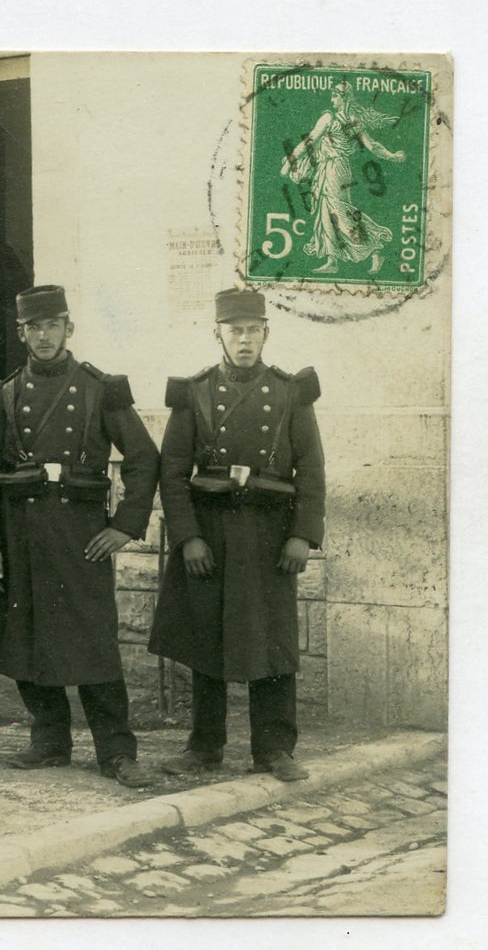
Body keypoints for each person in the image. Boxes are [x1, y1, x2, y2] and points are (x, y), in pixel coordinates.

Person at [0, 284, 160, 788]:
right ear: (21, 333)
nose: (44, 335)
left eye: (53, 324)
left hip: (81, 534)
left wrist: (123, 525)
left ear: (69, 328)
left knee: (94, 642)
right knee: (26, 638)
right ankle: (49, 741)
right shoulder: (5, 393)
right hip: (22, 534)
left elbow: (143, 457)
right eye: (34, 326)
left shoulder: (100, 388)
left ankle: (117, 752)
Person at [149, 287, 326, 782]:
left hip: (270, 537)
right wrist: (188, 538)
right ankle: (204, 748)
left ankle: (274, 749)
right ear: (218, 334)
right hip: (211, 534)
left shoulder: (291, 392)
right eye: (234, 331)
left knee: (273, 643)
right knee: (207, 639)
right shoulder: (194, 392)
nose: (244, 340)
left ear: (265, 332)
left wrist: (303, 536)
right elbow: (173, 472)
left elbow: (311, 468)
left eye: (252, 330)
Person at [281, 80, 406, 274]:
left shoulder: (330, 119)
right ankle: (332, 261)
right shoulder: (352, 120)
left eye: (335, 95)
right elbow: (372, 146)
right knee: (326, 211)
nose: (331, 99)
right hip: (334, 168)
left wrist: (291, 160)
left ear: (344, 98)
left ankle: (374, 249)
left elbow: (310, 141)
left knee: (339, 212)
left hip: (334, 168)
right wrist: (392, 156)